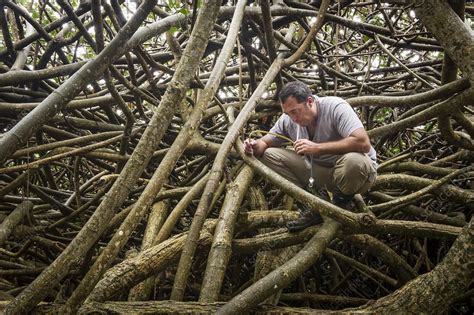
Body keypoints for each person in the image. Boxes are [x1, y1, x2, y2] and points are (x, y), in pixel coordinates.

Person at [244, 81, 377, 232]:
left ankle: (339, 204)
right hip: (320, 175)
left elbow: (363, 142)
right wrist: (254, 146)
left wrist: (317, 148)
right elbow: (264, 144)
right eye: (287, 113)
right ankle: (313, 203)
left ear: (310, 101)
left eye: (295, 111)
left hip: (355, 175)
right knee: (269, 155)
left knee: (354, 162)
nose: (293, 118)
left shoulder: (335, 107)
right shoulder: (288, 120)